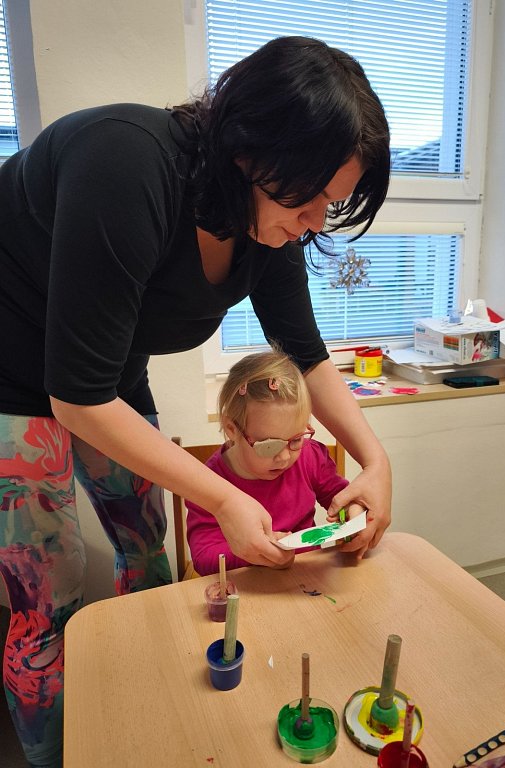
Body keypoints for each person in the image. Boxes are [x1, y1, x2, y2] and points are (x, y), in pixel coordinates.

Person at [0, 35, 392, 767]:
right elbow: (76, 399)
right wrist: (224, 497)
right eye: (309, 197)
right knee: (45, 596)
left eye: (331, 205)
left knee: (146, 548)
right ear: (253, 153)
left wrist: (374, 460)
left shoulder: (268, 227)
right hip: (12, 375)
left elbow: (307, 356)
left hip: (109, 375)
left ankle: (148, 706)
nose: (316, 221)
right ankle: (53, 756)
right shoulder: (125, 163)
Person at [186, 350, 365, 576]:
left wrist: (354, 511)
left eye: (296, 439)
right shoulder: (207, 482)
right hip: (247, 587)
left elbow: (341, 500)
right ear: (232, 429)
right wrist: (254, 552)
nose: (284, 457)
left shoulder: (310, 457)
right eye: (269, 445)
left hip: (308, 578)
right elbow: (204, 558)